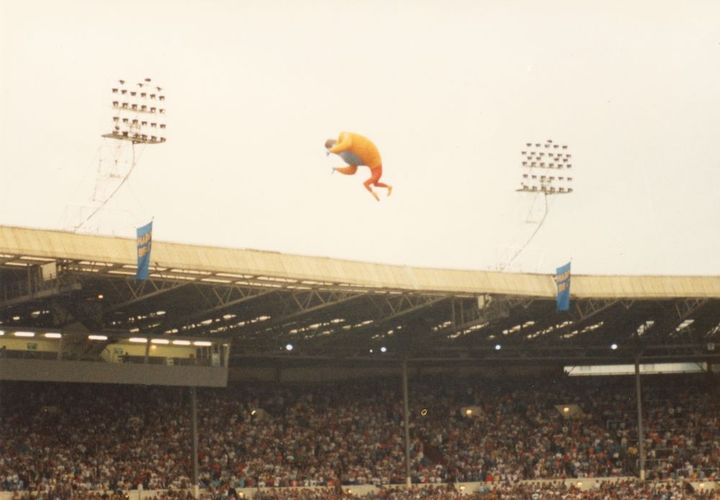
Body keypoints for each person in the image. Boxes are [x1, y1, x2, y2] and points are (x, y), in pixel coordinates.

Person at [325, 131, 392, 201]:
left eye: (331, 148)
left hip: (372, 159)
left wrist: (331, 150)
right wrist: (337, 169)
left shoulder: (343, 135)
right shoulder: (345, 155)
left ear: (333, 145)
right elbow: (352, 170)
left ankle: (374, 192)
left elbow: (347, 144)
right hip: (372, 162)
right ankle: (388, 187)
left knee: (368, 183)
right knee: (375, 183)